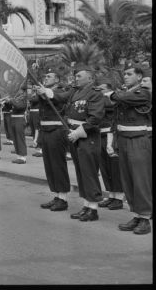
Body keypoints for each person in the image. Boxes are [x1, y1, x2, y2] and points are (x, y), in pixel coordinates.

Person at [48, 64, 105, 222]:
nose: (76, 78)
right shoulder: (75, 91)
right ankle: (86, 206)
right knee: (81, 172)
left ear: (90, 78)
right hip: (74, 135)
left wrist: (79, 131)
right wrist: (48, 92)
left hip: (87, 137)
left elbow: (95, 118)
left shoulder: (95, 93)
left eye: (79, 76)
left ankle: (93, 209)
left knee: (89, 173)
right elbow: (61, 97)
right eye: (76, 76)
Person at [107, 65, 152, 235]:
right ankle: (136, 214)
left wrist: (112, 94)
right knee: (128, 181)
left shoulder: (144, 91)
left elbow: (120, 97)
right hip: (124, 140)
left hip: (139, 141)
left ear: (139, 77)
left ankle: (145, 218)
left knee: (141, 181)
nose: (125, 76)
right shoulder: (127, 92)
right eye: (124, 74)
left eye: (129, 74)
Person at [31, 69, 70, 212]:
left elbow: (59, 99)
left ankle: (64, 198)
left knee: (58, 165)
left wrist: (44, 92)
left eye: (49, 76)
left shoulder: (62, 90)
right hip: (46, 131)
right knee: (49, 165)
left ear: (57, 79)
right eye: (45, 76)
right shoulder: (44, 90)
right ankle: (57, 195)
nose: (45, 78)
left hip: (57, 131)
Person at [96, 78, 124, 211]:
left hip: (111, 134)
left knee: (114, 167)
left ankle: (118, 198)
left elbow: (108, 106)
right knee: (105, 167)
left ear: (108, 89)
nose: (98, 91)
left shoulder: (112, 99)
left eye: (101, 89)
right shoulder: (102, 99)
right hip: (100, 134)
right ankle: (111, 195)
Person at [8, 84, 28, 164]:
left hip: (19, 119)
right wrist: (7, 101)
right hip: (14, 118)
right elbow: (12, 106)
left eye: (18, 89)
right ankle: (19, 156)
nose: (17, 91)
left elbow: (19, 106)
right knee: (15, 138)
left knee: (19, 138)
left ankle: (23, 157)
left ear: (22, 90)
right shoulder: (18, 97)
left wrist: (12, 100)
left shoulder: (24, 98)